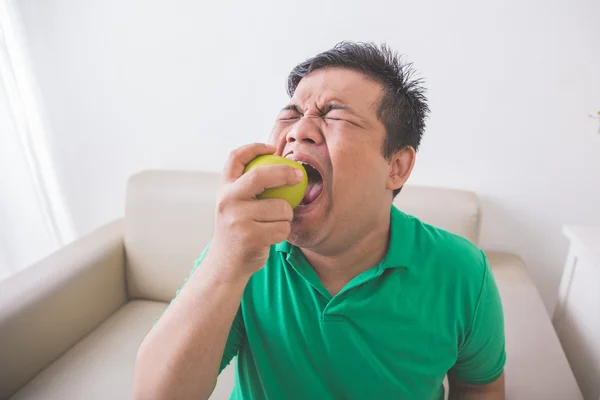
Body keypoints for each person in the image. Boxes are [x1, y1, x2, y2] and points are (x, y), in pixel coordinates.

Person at [134, 41, 506, 400]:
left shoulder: (462, 273)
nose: (298, 130)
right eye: (290, 114)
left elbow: (479, 387)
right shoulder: (244, 253)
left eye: (335, 115)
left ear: (397, 166)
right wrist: (225, 261)